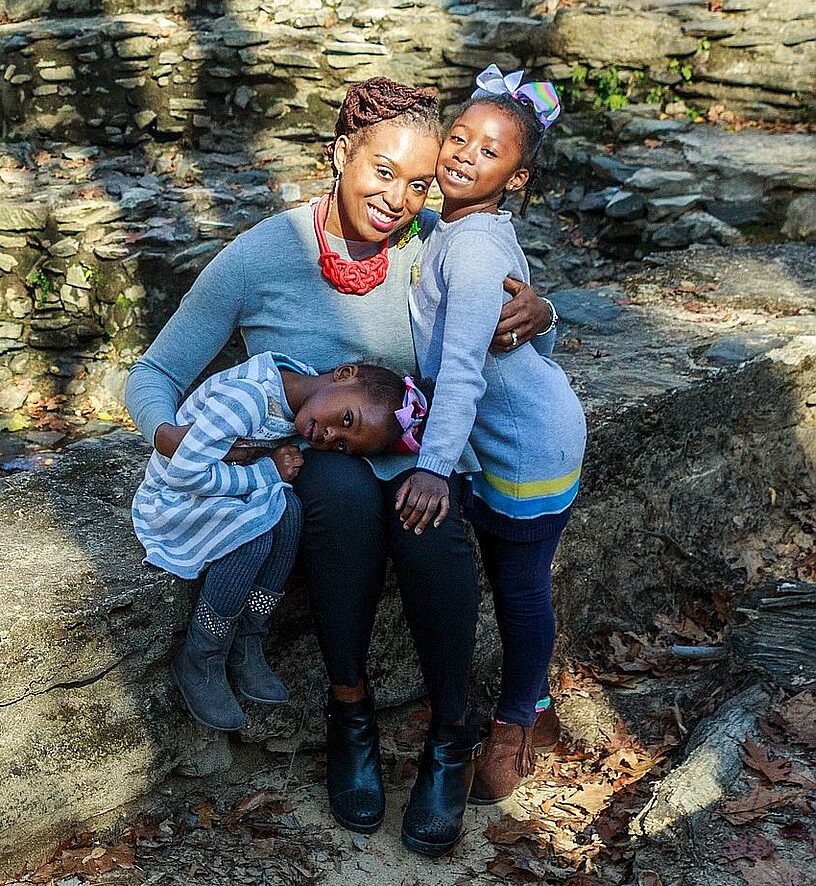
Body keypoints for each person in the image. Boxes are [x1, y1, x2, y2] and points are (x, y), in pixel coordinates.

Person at [125, 77, 555, 857]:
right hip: (311, 461)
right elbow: (152, 375)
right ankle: (349, 710)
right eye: (381, 172)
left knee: (434, 527)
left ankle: (448, 738)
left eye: (418, 182)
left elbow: (511, 353)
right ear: (339, 154)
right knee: (339, 496)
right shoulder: (262, 253)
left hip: (422, 455)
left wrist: (542, 314)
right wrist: (172, 436)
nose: (398, 198)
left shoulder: (440, 239)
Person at [395, 65, 587, 805]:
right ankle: (516, 707)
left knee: (519, 586)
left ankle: (516, 721)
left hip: (528, 447)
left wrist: (434, 468)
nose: (465, 155)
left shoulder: (474, 249)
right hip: (514, 429)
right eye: (460, 138)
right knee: (512, 580)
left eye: (491, 152)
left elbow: (467, 373)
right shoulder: (459, 227)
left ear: (517, 179)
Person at [133, 351, 426, 732]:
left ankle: (247, 639)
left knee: (289, 513)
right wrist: (265, 473)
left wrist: (264, 474)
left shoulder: (300, 395)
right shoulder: (247, 401)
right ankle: (201, 655)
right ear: (344, 372)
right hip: (176, 499)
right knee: (251, 538)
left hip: (223, 489)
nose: (330, 436)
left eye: (341, 446)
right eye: (347, 419)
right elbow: (182, 474)